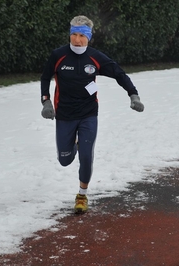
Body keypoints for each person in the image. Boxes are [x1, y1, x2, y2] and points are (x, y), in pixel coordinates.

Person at [40, 15, 144, 213]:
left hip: (88, 114)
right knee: (64, 159)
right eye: (74, 34)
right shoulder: (58, 55)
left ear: (89, 37)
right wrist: (46, 102)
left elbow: (119, 74)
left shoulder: (95, 57)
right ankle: (74, 147)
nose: (77, 40)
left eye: (82, 35)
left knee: (87, 156)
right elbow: (45, 77)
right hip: (64, 114)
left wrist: (133, 95)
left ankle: (82, 195)